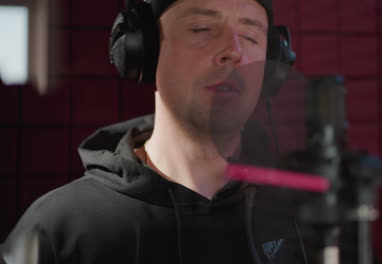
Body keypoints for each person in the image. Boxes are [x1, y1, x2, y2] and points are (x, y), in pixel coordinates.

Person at [0, 0, 305, 263]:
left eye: (251, 36)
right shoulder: (58, 230)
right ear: (143, 50)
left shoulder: (311, 217)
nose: (233, 51)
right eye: (201, 29)